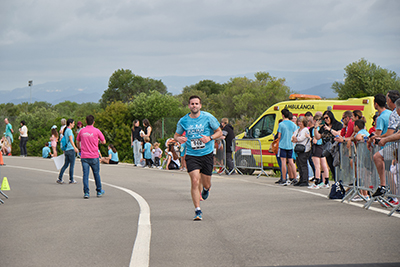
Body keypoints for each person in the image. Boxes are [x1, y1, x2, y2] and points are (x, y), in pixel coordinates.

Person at [174, 95, 222, 221]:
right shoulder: (183, 121)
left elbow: (219, 132)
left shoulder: (208, 117)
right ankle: (198, 210)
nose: (194, 106)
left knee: (206, 182)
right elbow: (176, 135)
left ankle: (206, 189)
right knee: (195, 181)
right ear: (189, 106)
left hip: (206, 154)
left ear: (200, 105)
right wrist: (178, 139)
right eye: (192, 104)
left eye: (196, 104)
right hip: (192, 155)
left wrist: (209, 138)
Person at [76, 115, 106, 199]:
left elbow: (77, 141)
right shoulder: (96, 131)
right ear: (94, 122)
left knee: (85, 174)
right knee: (96, 174)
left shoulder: (82, 131)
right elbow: (104, 141)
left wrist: (80, 148)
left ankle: (86, 192)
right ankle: (99, 191)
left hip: (84, 156)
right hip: (94, 156)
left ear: (86, 122)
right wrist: (98, 141)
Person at [314, 110, 343, 182]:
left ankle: (339, 182)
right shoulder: (323, 127)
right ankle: (336, 182)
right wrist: (315, 128)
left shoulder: (337, 124)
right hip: (327, 149)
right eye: (324, 118)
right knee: (331, 166)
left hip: (336, 149)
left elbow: (338, 134)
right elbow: (318, 137)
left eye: (327, 118)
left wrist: (330, 129)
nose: (326, 120)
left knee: (337, 166)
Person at [277, 108, 298, 186]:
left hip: (283, 145)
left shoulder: (281, 124)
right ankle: (295, 178)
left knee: (283, 162)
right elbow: (295, 133)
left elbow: (279, 135)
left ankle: (284, 178)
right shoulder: (293, 124)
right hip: (290, 145)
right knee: (291, 162)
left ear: (283, 115)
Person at [309, 114, 330, 189]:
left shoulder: (315, 129)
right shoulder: (323, 128)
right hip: (322, 146)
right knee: (324, 165)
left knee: (317, 166)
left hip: (317, 147)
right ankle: (326, 181)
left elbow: (315, 139)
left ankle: (317, 181)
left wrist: (310, 138)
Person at [56, 119, 79, 184]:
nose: (74, 124)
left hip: (66, 150)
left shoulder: (66, 130)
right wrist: (75, 148)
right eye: (73, 123)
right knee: (71, 165)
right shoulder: (69, 131)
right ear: (70, 123)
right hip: (71, 149)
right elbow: (71, 140)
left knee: (66, 164)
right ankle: (71, 179)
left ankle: (60, 178)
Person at [291, 116, 311, 186]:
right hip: (298, 149)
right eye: (298, 121)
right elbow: (292, 137)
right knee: (299, 164)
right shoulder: (298, 130)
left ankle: (305, 180)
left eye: (300, 122)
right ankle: (301, 179)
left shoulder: (305, 130)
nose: (299, 123)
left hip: (304, 149)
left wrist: (296, 138)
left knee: (303, 165)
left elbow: (301, 138)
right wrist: (295, 138)